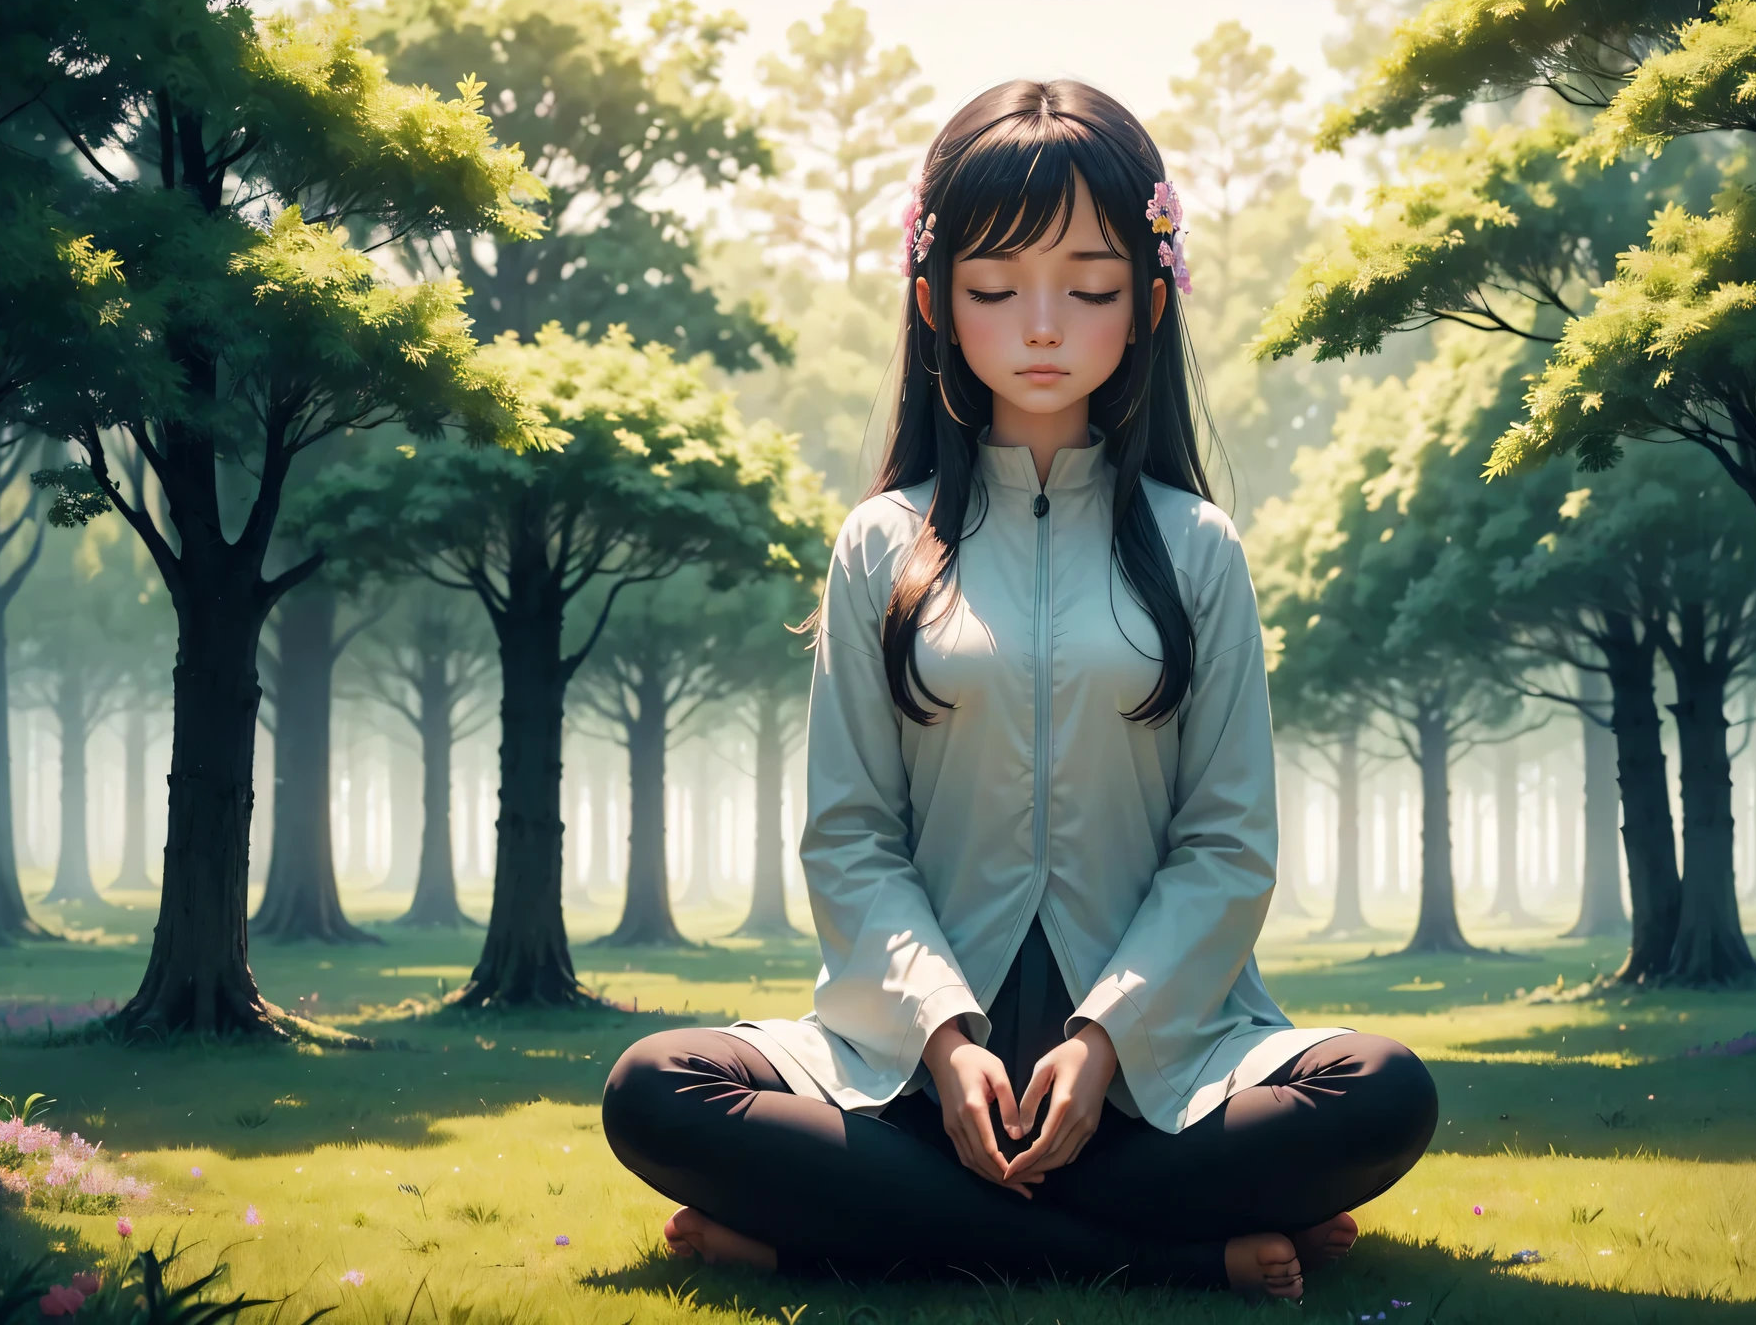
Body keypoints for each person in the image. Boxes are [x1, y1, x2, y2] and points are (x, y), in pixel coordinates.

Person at [601, 78, 1436, 1299]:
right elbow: (849, 837)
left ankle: (855, 1234)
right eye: (997, 288)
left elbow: (1226, 841)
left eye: (1089, 287)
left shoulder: (1198, 546)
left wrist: (1105, 1044)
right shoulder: (878, 544)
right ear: (937, 300)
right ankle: (1161, 1258)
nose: (1042, 324)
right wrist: (942, 1037)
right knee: (654, 1089)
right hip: (912, 1075)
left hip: (1154, 1072)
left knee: (1385, 1090)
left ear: (1149, 302)